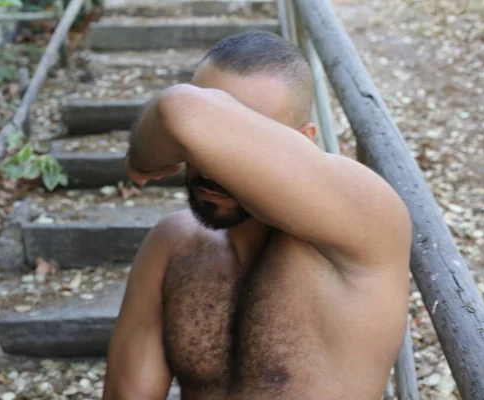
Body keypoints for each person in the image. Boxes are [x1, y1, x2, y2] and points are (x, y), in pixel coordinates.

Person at [102, 31, 412, 400]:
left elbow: (182, 108)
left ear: (305, 141)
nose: (213, 165)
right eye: (202, 143)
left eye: (243, 135)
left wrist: (139, 159)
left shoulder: (365, 217)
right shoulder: (172, 243)